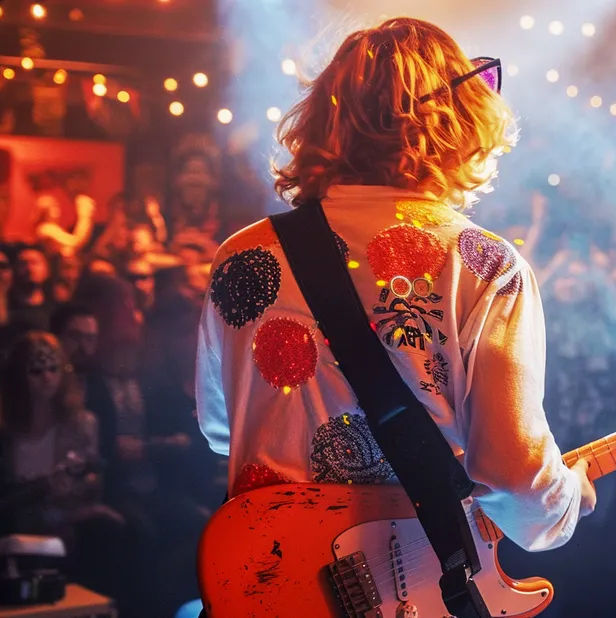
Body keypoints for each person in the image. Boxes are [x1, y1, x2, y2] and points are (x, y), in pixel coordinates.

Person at [195, 17, 595, 554]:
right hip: (405, 584)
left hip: (268, 578)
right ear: (458, 120)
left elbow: (222, 427)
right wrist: (565, 500)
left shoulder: (242, 254)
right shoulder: (485, 265)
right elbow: (514, 476)